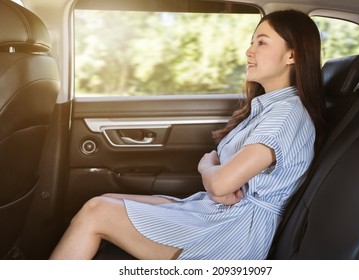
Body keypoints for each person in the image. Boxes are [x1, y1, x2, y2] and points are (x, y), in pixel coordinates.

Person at [50, 9, 325, 260]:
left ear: (293, 55)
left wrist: (206, 167)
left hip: (232, 234)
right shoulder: (269, 107)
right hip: (215, 212)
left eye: (261, 42)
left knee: (95, 212)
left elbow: (220, 185)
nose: (248, 51)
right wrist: (217, 183)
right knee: (106, 198)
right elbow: (222, 184)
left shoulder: (286, 115)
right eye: (252, 42)